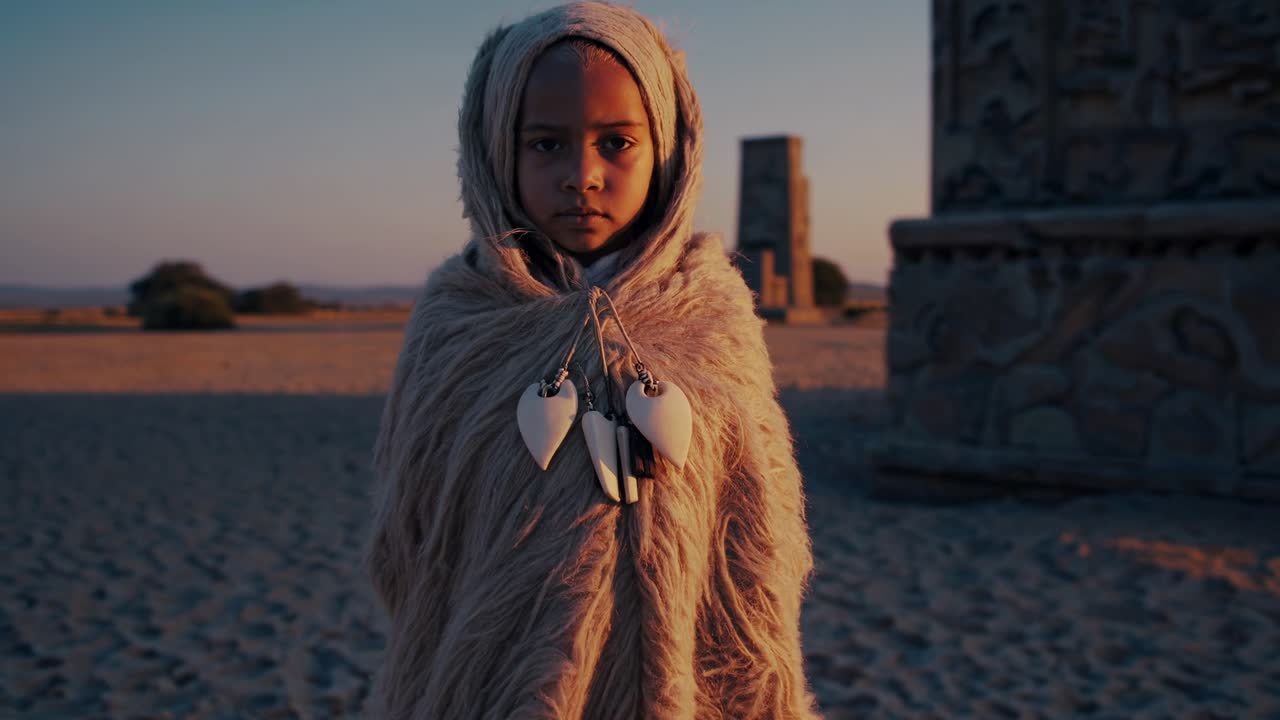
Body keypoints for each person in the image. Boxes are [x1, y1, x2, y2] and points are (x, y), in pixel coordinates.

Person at [364, 2, 818, 717]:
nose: (583, 174)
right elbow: (408, 543)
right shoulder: (458, 324)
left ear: (667, 146)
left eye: (617, 143)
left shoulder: (714, 317)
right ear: (494, 149)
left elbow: (761, 546)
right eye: (546, 144)